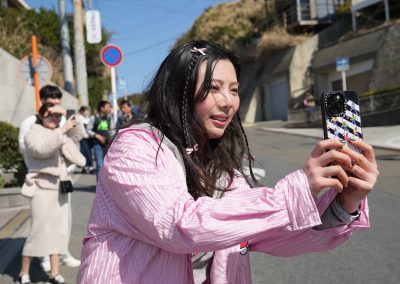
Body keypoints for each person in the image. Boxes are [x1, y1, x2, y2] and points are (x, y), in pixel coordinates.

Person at [77, 41, 378, 283]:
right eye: (213, 87)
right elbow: (180, 226)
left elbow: (263, 233)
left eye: (234, 89)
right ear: (178, 92)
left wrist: (343, 204)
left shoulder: (222, 169)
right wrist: (298, 189)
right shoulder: (136, 147)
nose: (228, 101)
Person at [17, 103, 86, 284]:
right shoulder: (33, 131)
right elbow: (41, 149)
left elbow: (79, 134)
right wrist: (61, 130)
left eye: (56, 116)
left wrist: (67, 113)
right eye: (49, 115)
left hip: (60, 187)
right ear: (40, 115)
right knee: (38, 231)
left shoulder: (60, 130)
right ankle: (23, 273)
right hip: (41, 186)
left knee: (59, 231)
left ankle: (54, 273)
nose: (54, 119)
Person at [87, 100, 114, 178]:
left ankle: (106, 185)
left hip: (107, 144)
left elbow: (112, 130)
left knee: (108, 165)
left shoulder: (109, 118)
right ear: (102, 108)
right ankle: (99, 185)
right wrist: (96, 136)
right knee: (99, 164)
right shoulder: (93, 118)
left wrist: (110, 138)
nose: (110, 109)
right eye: (108, 107)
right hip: (97, 144)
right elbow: (88, 130)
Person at [76, 106, 94, 174]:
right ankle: (85, 167)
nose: (87, 112)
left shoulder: (88, 119)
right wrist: (86, 135)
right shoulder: (79, 118)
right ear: (82, 111)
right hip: (83, 138)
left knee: (89, 152)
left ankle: (89, 166)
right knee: (84, 152)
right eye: (86, 110)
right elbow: (80, 129)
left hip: (88, 138)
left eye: (88, 111)